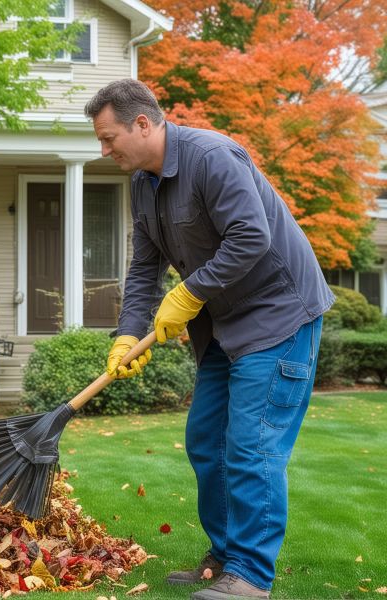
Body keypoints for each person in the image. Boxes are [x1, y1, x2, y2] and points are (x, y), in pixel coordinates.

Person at [84, 79, 334, 600]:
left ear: (143, 124)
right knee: (206, 441)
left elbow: (251, 234)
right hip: (222, 324)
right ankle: (225, 555)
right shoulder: (143, 184)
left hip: (278, 315)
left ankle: (249, 575)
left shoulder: (212, 156)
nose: (104, 149)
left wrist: (189, 293)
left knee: (252, 445)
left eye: (109, 138)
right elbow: (144, 267)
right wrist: (127, 333)